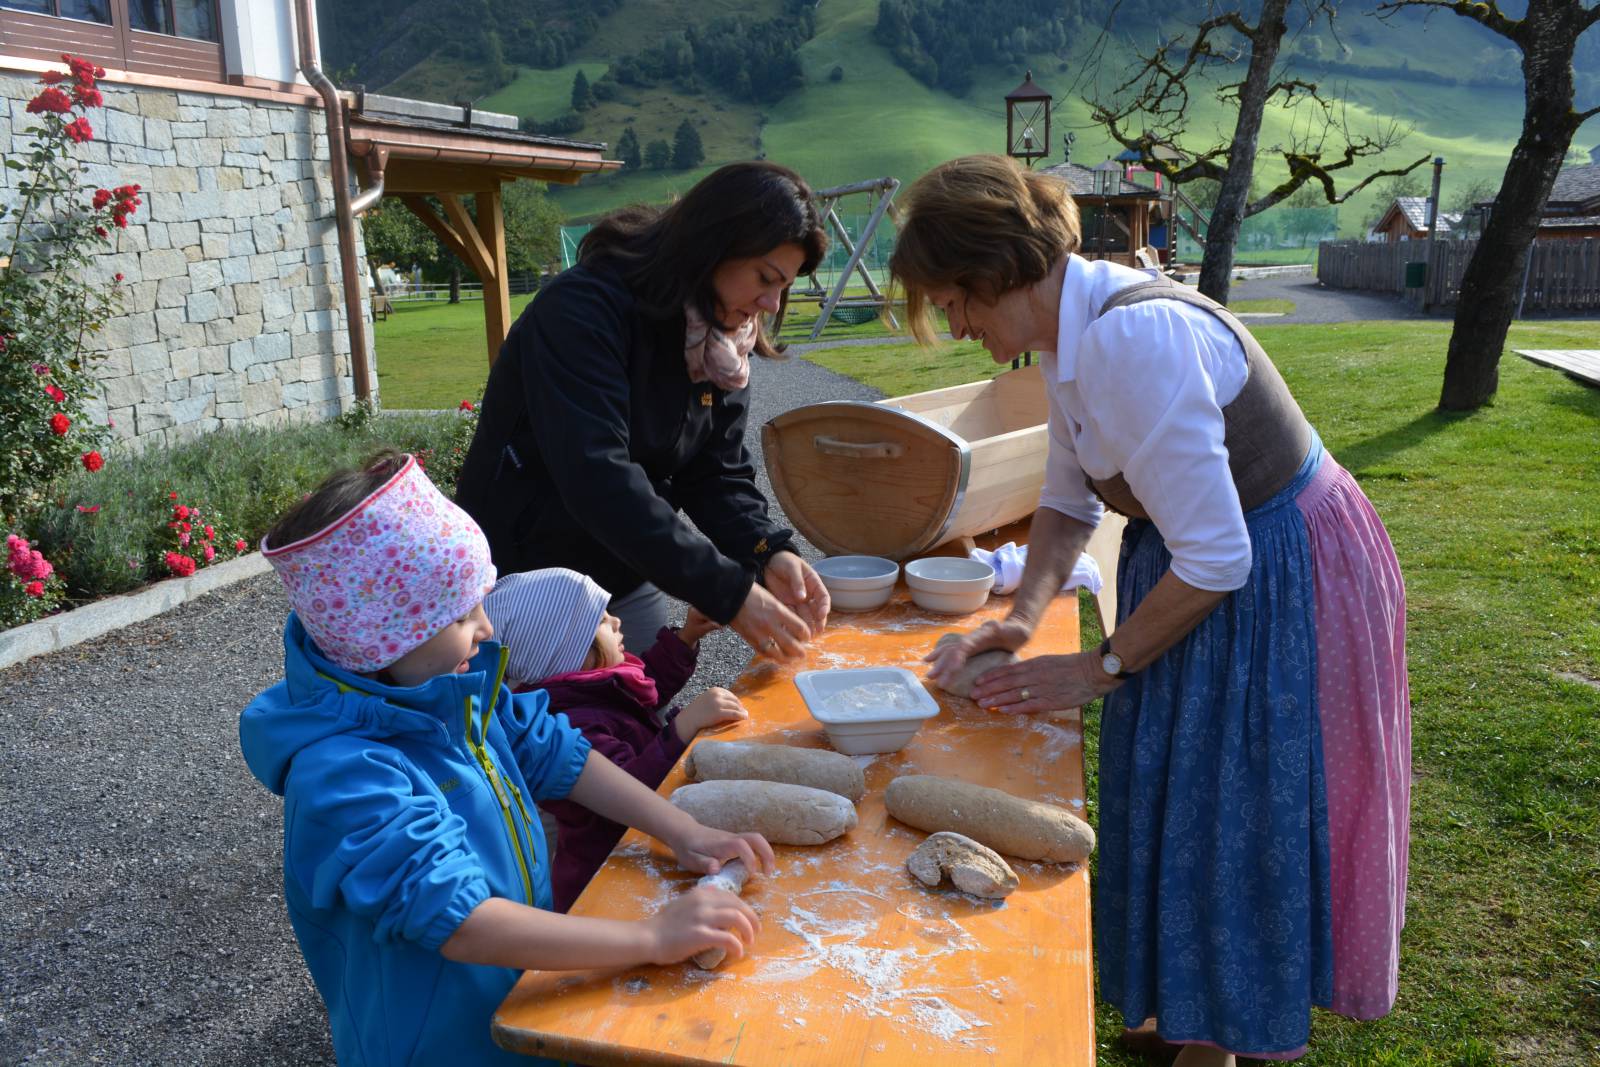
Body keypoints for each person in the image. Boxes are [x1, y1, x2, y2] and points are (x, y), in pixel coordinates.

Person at [900, 156, 1410, 1066]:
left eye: (955, 301)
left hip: (1276, 570)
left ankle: (1226, 1036)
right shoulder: (1067, 337)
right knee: (1185, 789)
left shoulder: (1133, 341)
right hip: (1205, 563)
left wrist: (1097, 665)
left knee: (1240, 804)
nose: (961, 324)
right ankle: (1186, 1018)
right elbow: (1066, 503)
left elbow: (1220, 557)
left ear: (996, 268)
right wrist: (1020, 620)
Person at [239, 451, 776, 1067]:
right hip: (441, 1045)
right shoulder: (344, 773)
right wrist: (651, 937)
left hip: (519, 1000)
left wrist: (686, 832)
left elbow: (557, 752)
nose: (488, 629)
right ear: (387, 636)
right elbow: (459, 920)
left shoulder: (449, 693)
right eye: (464, 614)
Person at [455, 160, 832, 662]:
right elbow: (597, 474)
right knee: (548, 736)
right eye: (765, 277)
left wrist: (767, 549)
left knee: (638, 720)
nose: (770, 302)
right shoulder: (582, 311)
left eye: (783, 287)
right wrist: (729, 591)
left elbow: (714, 471)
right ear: (714, 244)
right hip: (527, 588)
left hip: (622, 573)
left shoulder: (720, 344)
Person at [484, 567, 749, 912]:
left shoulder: (589, 683)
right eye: (602, 621)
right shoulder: (569, 721)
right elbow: (630, 789)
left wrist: (684, 638)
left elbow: (646, 688)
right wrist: (682, 727)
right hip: (605, 871)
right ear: (566, 649)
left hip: (641, 841)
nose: (618, 623)